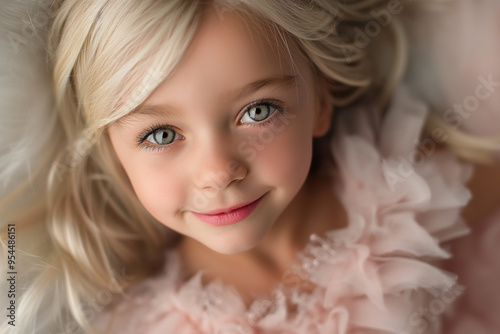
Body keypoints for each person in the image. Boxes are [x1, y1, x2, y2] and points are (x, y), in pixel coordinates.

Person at [0, 0, 499, 333]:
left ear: (321, 101)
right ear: (112, 153)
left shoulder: (408, 191)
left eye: (258, 111)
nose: (219, 171)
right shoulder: (150, 325)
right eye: (161, 135)